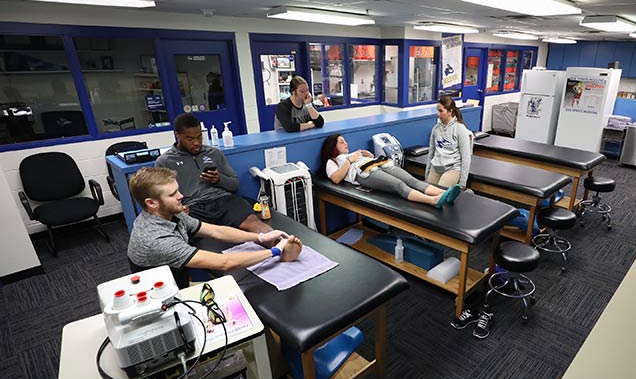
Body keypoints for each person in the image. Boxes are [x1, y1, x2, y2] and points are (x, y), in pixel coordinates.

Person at [127, 167, 302, 273]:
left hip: (174, 279)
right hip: (163, 300)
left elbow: (215, 231)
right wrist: (274, 252)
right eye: (173, 194)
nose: (181, 196)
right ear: (152, 203)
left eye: (178, 190)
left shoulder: (171, 213)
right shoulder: (158, 239)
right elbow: (224, 263)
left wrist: (261, 237)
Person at [156, 113, 275, 235]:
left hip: (223, 200)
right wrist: (178, 209)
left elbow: (235, 185)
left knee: (254, 223)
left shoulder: (214, 153)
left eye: (199, 137)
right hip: (192, 207)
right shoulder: (165, 162)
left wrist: (219, 179)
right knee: (184, 234)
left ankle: (283, 245)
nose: (196, 143)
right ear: (177, 135)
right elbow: (161, 199)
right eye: (190, 139)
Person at [321, 133, 461, 208]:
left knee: (412, 180)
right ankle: (432, 200)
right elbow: (336, 178)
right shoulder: (332, 161)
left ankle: (444, 194)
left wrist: (369, 156)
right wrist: (350, 160)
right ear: (333, 147)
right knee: (398, 185)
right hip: (364, 174)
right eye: (341, 142)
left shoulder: (351, 155)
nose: (346, 143)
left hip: (377, 164)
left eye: (345, 141)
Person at [425, 96, 472, 188]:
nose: (438, 114)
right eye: (437, 110)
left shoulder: (460, 128)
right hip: (436, 167)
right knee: (427, 193)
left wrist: (462, 183)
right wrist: (427, 175)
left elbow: (466, 157)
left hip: (452, 168)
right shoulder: (436, 129)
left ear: (450, 112)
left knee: (439, 195)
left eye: (441, 111)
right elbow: (431, 152)